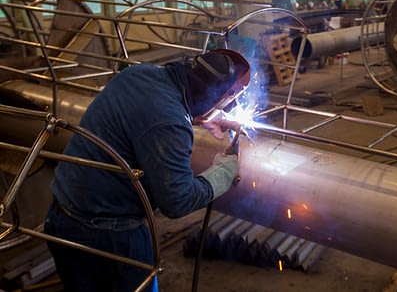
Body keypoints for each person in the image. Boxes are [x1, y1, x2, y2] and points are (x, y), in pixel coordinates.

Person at [44, 48, 251, 292]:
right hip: (110, 238)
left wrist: (201, 116)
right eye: (229, 96)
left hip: (60, 216)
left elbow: (150, 110)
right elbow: (178, 201)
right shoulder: (169, 123)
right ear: (213, 93)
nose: (230, 101)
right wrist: (224, 171)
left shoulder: (140, 73)